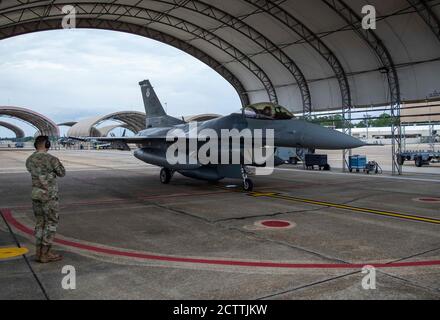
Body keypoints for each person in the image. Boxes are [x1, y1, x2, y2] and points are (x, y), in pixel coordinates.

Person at [26, 136, 66, 263]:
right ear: (47, 144)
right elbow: (62, 173)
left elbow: (32, 171)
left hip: (36, 194)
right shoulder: (51, 159)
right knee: (51, 224)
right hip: (49, 196)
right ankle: (46, 254)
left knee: (40, 223)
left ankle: (38, 253)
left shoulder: (30, 159)